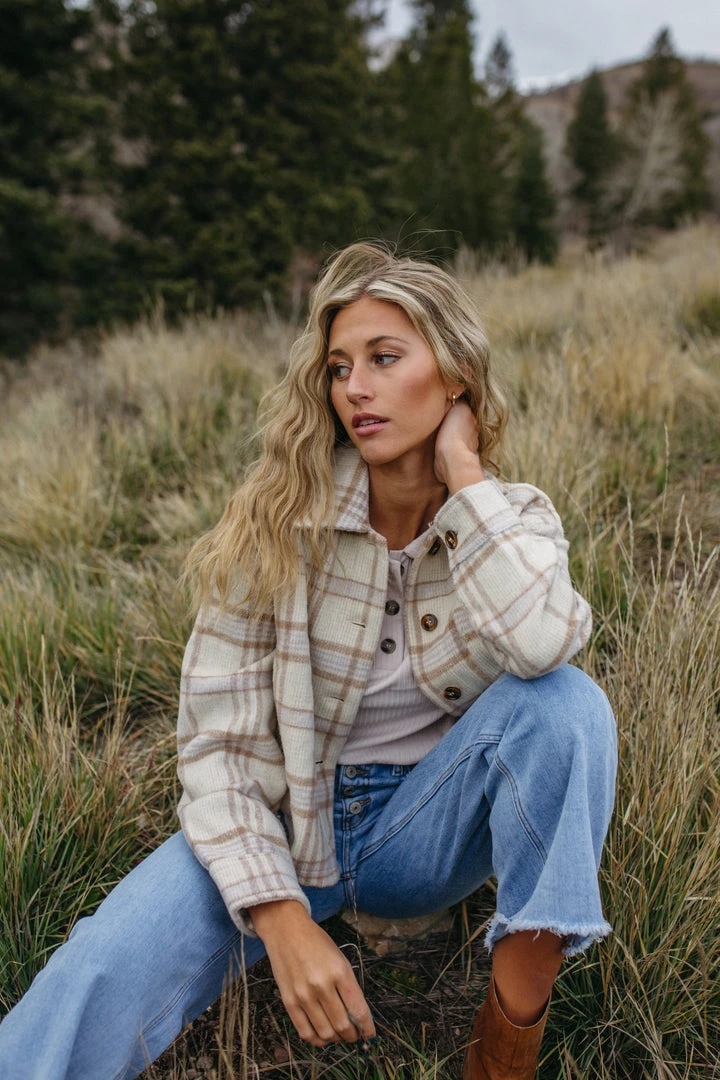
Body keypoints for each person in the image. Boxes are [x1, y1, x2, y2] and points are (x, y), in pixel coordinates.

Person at [0, 242, 617, 1080]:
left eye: (384, 358)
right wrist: (280, 915)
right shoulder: (276, 521)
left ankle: (503, 1054)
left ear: (456, 376)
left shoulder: (512, 519)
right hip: (290, 823)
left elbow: (544, 645)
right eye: (338, 367)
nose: (355, 387)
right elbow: (216, 749)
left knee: (567, 705)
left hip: (426, 834)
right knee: (99, 966)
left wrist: (465, 479)